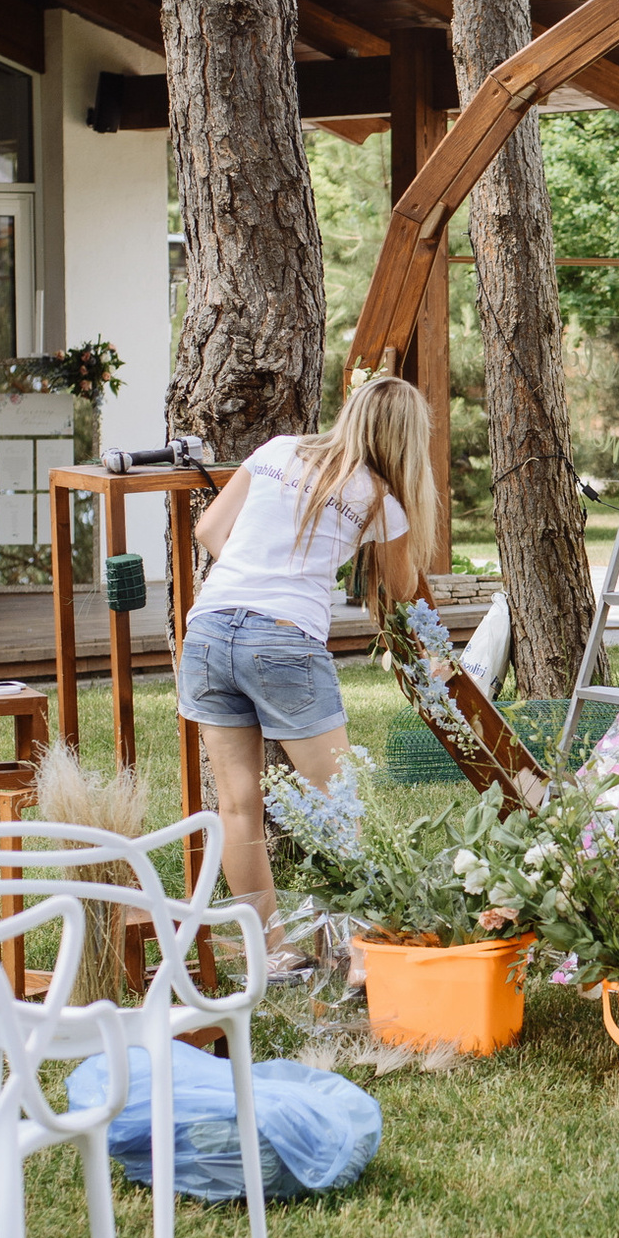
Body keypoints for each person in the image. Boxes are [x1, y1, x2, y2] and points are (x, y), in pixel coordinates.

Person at [181, 376, 440, 916]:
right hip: (283, 638)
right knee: (343, 804)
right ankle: (369, 951)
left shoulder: (278, 450)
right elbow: (397, 592)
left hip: (207, 630)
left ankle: (270, 954)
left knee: (237, 807)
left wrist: (256, 571)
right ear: (406, 441)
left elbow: (208, 530)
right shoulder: (381, 501)